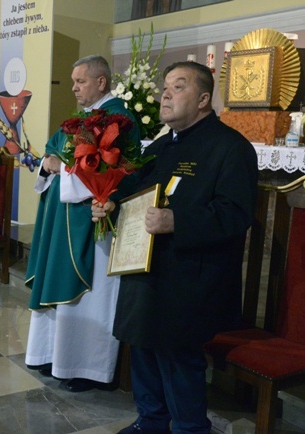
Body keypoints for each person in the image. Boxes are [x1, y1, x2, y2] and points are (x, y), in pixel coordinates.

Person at [92, 61, 258, 434]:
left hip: (192, 275)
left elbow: (236, 214)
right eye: (165, 86)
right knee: (143, 346)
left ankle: (188, 428)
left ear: (203, 99)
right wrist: (110, 205)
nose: (165, 94)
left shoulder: (231, 148)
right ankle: (151, 421)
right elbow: (134, 196)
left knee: (177, 356)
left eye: (178, 87)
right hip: (147, 268)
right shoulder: (161, 147)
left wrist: (176, 221)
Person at [24, 55, 140, 392]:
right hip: (61, 219)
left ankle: (87, 367)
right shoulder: (80, 118)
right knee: (61, 288)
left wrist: (61, 169)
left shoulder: (118, 118)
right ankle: (54, 356)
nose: (73, 87)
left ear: (101, 82)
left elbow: (113, 169)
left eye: (80, 81)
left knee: (91, 292)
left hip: (92, 220)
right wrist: (49, 166)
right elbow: (52, 152)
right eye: (73, 81)